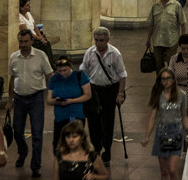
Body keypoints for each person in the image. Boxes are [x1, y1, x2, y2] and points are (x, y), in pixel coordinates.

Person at [9, 28, 53, 176]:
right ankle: (23, 152)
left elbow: (49, 75)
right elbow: (12, 78)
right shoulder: (14, 57)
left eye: (26, 41)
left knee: (37, 133)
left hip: (36, 98)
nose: (23, 44)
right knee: (17, 131)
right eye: (20, 42)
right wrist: (10, 100)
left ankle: (36, 166)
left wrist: (51, 95)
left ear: (31, 41)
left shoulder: (41, 56)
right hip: (19, 99)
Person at [80, 27, 128, 165]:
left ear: (107, 40)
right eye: (96, 40)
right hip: (94, 90)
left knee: (108, 122)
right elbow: (83, 71)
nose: (98, 43)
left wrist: (120, 94)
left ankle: (107, 150)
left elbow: (122, 75)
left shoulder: (115, 54)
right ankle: (95, 149)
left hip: (110, 90)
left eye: (101, 40)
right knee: (93, 121)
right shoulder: (90, 53)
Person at [140, 69, 188, 180]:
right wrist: (147, 136)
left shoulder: (182, 95)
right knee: (164, 171)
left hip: (176, 133)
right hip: (161, 134)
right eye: (163, 79)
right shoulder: (158, 95)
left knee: (172, 170)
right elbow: (152, 117)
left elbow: (184, 115)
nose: (166, 81)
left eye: (168, 78)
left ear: (173, 80)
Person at [48, 56, 91, 146]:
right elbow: (48, 100)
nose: (62, 73)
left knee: (74, 143)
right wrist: (56, 101)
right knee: (58, 144)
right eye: (59, 71)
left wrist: (71, 101)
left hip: (76, 115)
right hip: (60, 116)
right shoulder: (54, 79)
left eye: (65, 70)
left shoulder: (80, 76)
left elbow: (87, 95)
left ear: (70, 67)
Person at [146, 0, 187, 73]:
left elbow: (183, 23)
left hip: (171, 42)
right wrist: (148, 39)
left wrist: (183, 40)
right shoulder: (155, 6)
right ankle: (160, 85)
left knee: (171, 67)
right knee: (158, 67)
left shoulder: (176, 6)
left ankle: (171, 85)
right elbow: (151, 24)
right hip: (157, 41)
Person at [19, 0, 54, 64]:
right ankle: (49, 65)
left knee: (47, 43)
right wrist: (40, 39)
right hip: (29, 39)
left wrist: (41, 37)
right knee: (44, 45)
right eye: (27, 5)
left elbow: (35, 27)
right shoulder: (20, 17)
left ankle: (50, 64)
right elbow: (27, 33)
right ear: (21, 8)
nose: (29, 6)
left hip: (36, 37)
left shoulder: (28, 14)